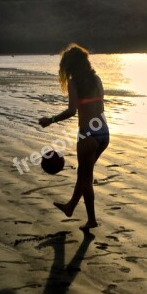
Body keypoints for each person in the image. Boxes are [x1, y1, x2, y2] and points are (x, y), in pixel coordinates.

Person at [39, 44, 109, 231]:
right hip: (104, 133)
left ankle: (92, 220)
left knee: (86, 178)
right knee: (83, 174)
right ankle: (70, 206)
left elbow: (72, 111)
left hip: (88, 134)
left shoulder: (74, 82)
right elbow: (101, 106)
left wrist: (51, 120)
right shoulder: (96, 79)